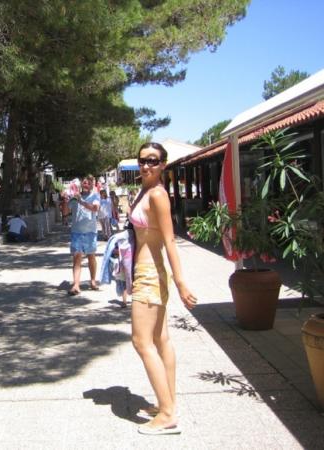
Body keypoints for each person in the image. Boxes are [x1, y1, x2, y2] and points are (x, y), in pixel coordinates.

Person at [129, 142, 197, 435]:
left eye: (153, 161)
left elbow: (170, 240)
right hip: (147, 272)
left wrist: (181, 282)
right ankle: (166, 402)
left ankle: (167, 415)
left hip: (149, 275)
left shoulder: (157, 195)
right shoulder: (144, 191)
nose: (147, 165)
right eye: (143, 160)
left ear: (163, 164)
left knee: (141, 342)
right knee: (160, 339)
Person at [68, 175, 100, 295]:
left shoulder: (95, 196)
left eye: (89, 183)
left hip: (90, 231)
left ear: (92, 185)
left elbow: (95, 208)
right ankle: (76, 285)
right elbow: (66, 210)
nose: (86, 184)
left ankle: (93, 281)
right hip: (76, 231)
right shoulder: (75, 197)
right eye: (84, 182)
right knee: (77, 257)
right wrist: (65, 199)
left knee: (91, 256)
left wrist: (81, 201)